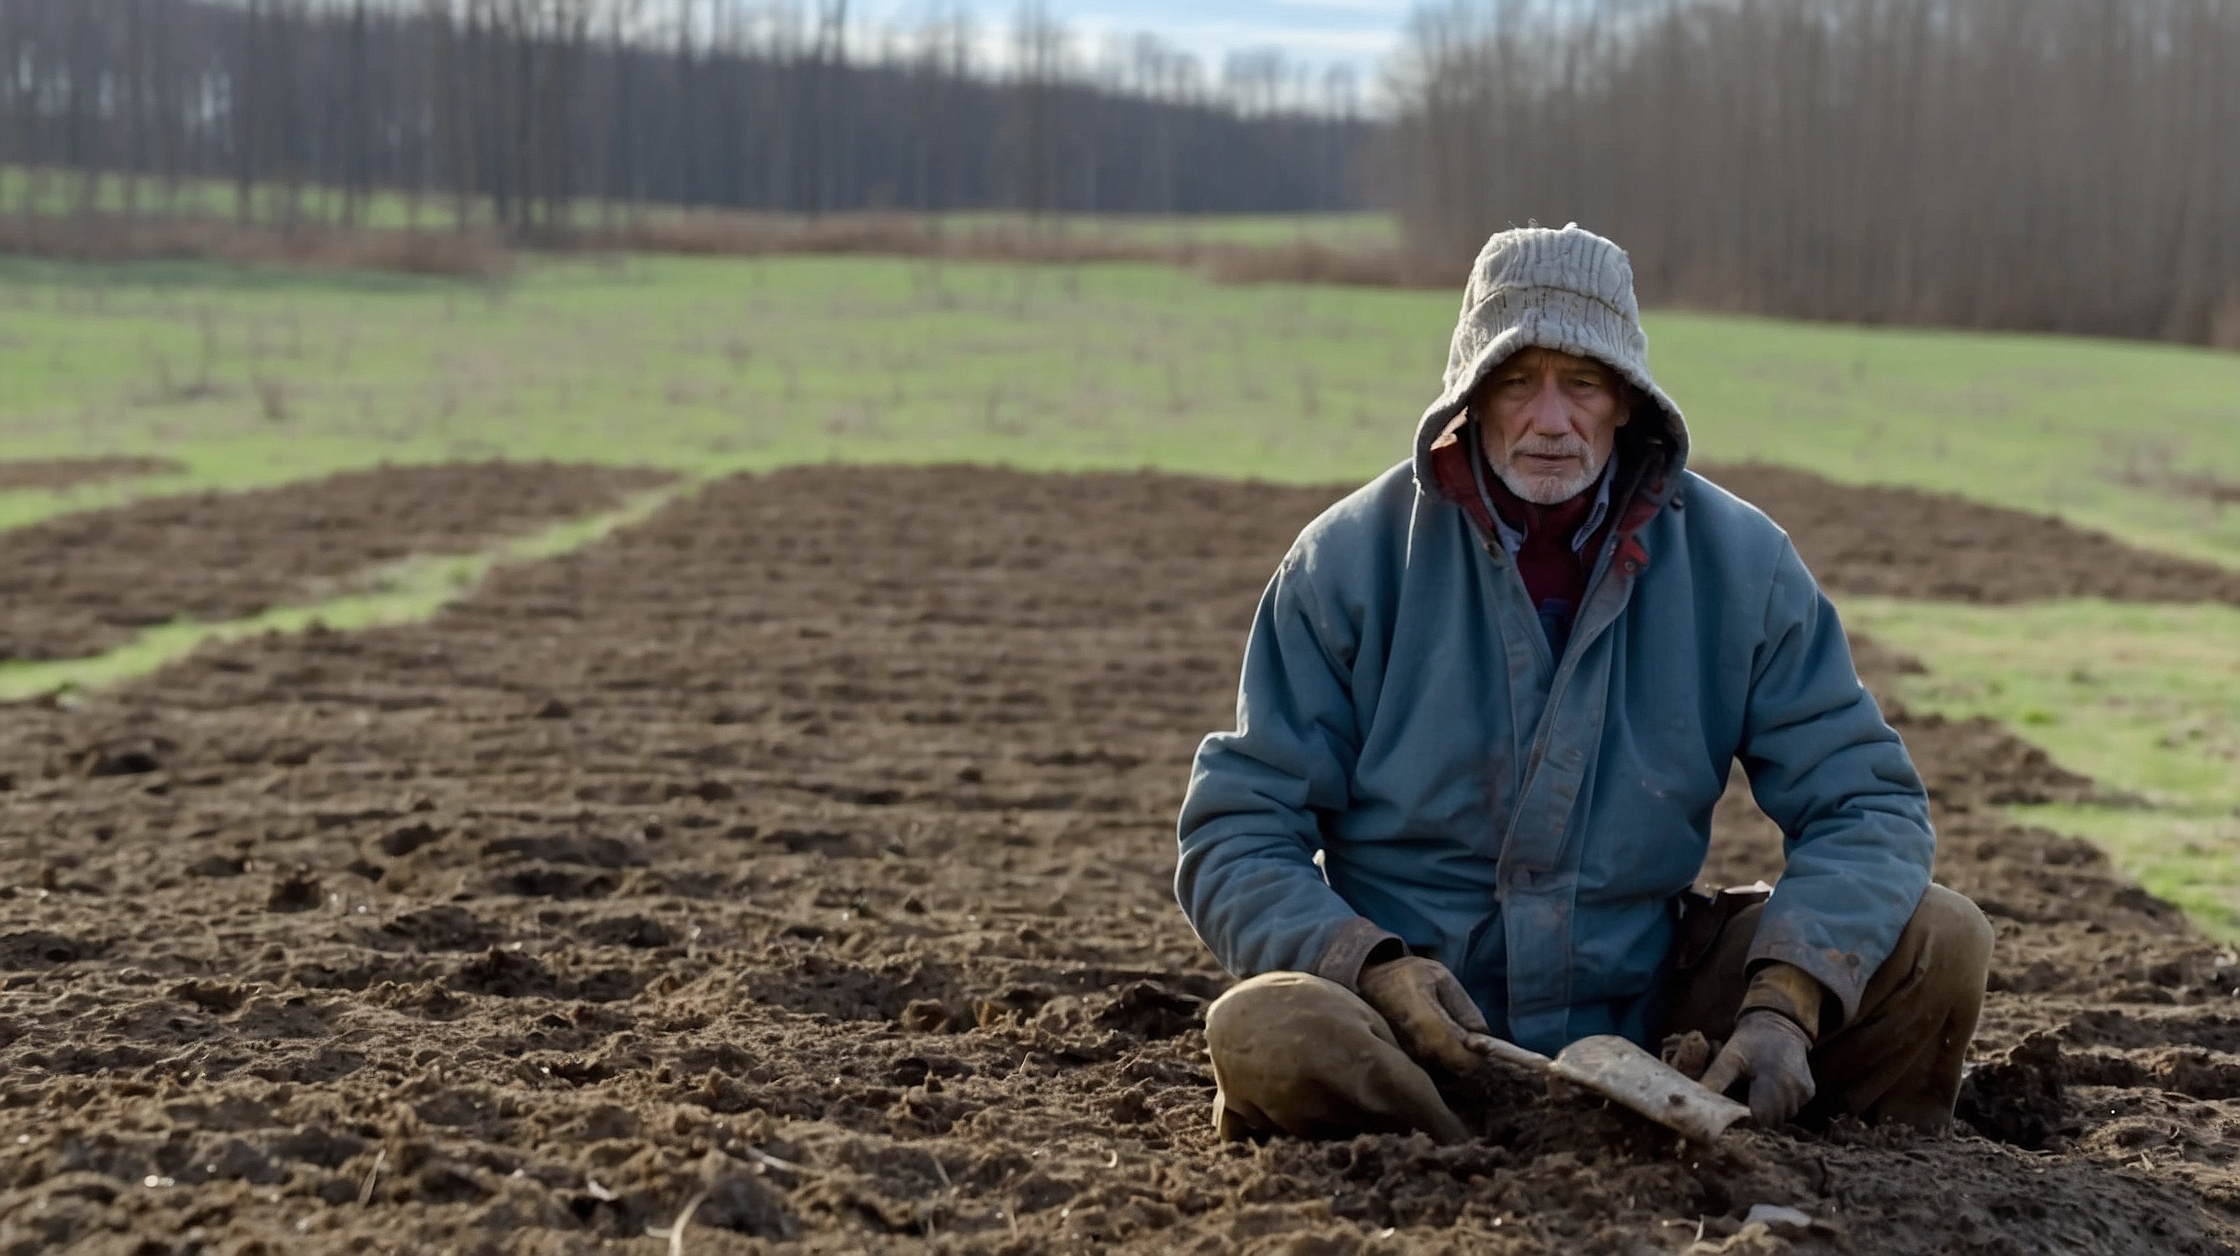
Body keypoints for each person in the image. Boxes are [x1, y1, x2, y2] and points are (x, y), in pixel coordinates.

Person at [1174, 224, 1992, 1143]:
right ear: (1471, 398)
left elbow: (1867, 803)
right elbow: (1237, 831)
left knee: (1940, 941)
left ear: (1628, 405)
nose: (1551, 419)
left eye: (1584, 383)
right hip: (1417, 1032)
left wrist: (1784, 1004)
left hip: (1654, 1023)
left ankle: (1749, 1136)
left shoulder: (1741, 565)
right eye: (1518, 381)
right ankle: (1455, 1150)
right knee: (1267, 1027)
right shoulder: (1347, 564)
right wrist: (1370, 968)